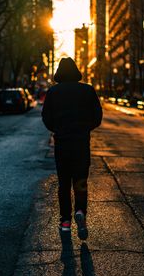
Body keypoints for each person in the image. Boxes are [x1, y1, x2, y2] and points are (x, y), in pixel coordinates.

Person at [42, 57, 102, 240]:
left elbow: (46, 118)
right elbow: (97, 117)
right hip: (81, 144)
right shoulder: (88, 90)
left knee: (64, 184)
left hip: (62, 144)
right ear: (76, 71)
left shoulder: (53, 92)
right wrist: (84, 129)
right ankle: (80, 212)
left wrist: (59, 130)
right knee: (81, 182)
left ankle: (65, 222)